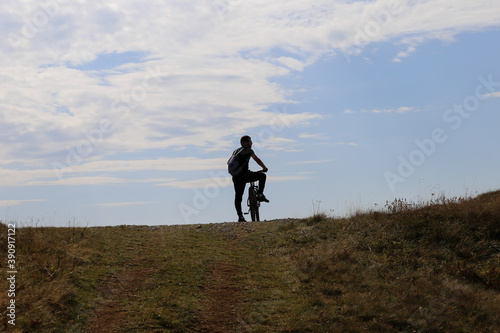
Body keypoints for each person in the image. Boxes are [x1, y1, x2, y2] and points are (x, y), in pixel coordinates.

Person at [228, 135, 269, 222]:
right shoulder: (249, 151)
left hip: (236, 177)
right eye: (250, 142)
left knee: (238, 197)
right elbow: (257, 159)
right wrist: (264, 168)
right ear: (246, 143)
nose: (252, 143)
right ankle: (260, 194)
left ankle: (240, 217)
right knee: (262, 176)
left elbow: (228, 162)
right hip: (245, 175)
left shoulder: (235, 151)